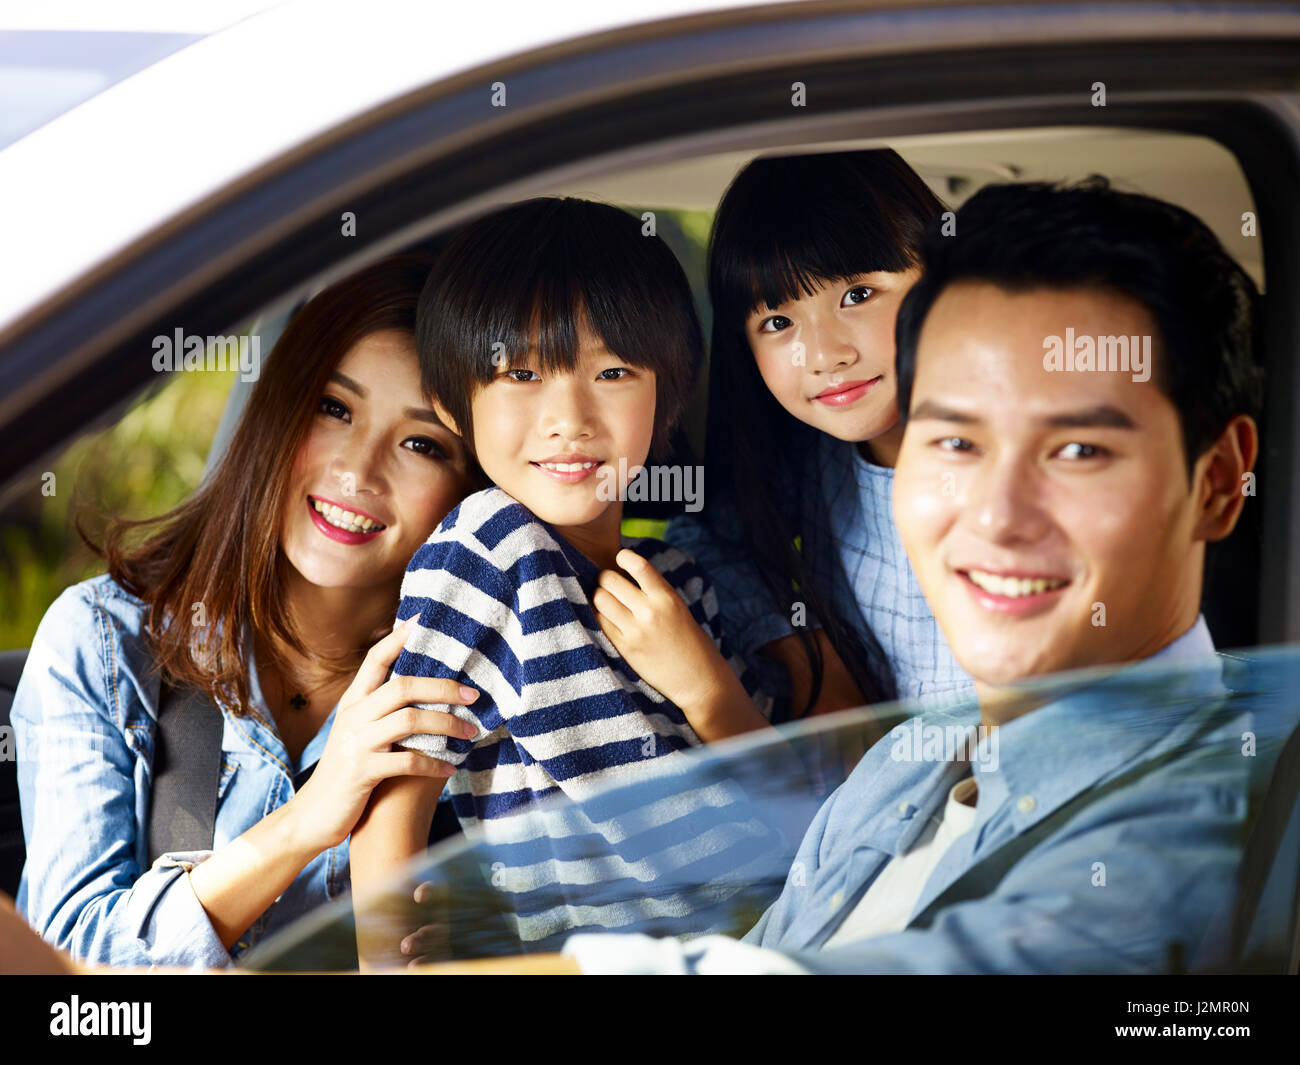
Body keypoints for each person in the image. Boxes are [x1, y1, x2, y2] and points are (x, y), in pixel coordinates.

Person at [443, 175, 1267, 973]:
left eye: (1079, 451)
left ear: (1221, 481)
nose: (993, 515)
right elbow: (758, 941)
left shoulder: (1183, 835)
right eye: (952, 443)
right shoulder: (911, 761)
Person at [12, 256, 484, 968]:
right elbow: (65, 971)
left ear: (469, 490)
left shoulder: (487, 692)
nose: (358, 470)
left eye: (422, 443)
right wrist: (305, 821)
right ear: (278, 409)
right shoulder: (105, 644)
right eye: (334, 407)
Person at [348, 198, 783, 957]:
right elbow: (396, 794)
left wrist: (706, 683)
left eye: (613, 371)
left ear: (667, 397)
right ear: (455, 402)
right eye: (521, 373)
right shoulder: (490, 548)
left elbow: (785, 808)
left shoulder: (680, 580)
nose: (568, 417)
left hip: (768, 942)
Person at [666, 149, 974, 727]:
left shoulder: (1030, 469)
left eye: (857, 295)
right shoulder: (811, 458)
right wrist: (809, 656)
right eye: (777, 323)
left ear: (942, 276)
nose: (827, 355)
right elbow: (710, 538)